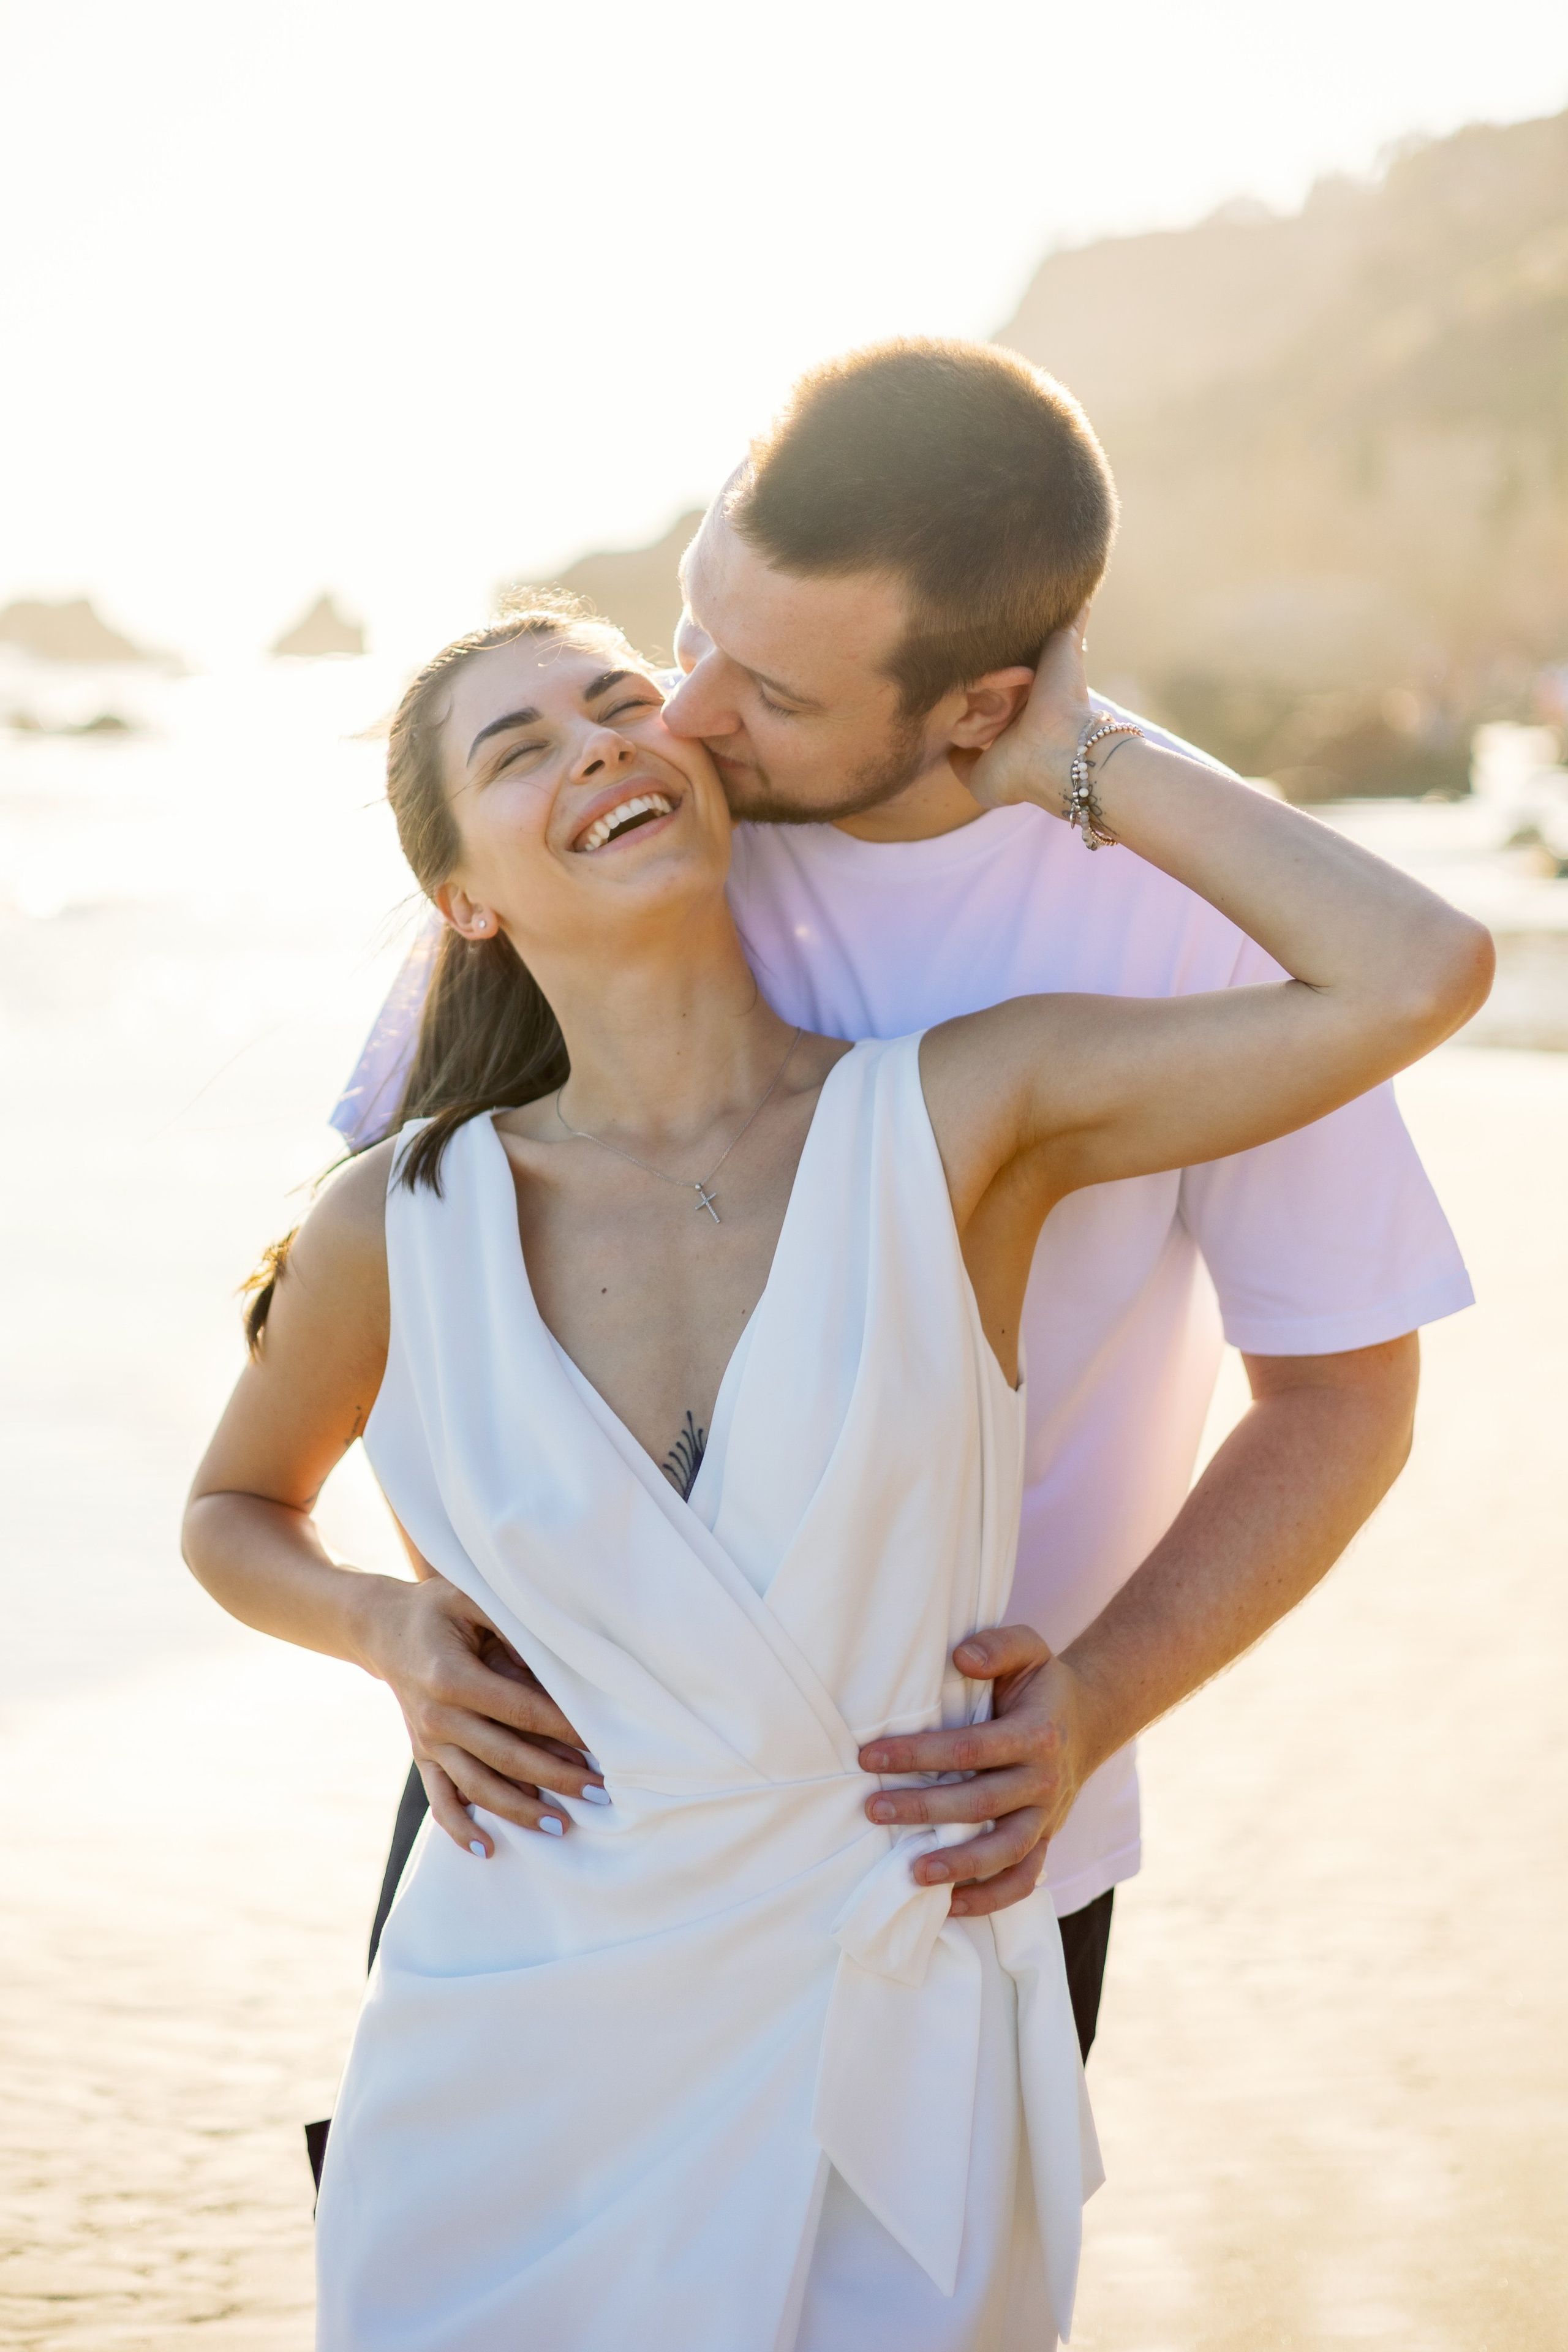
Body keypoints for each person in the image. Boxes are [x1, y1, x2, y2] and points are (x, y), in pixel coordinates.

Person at [183, 579, 1488, 2346]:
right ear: (461, 900)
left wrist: (1069, 756)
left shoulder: (964, 1118)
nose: (604, 745)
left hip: (891, 2008)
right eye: (524, 745)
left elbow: (1420, 972)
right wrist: (385, 1631)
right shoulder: (397, 1220)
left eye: (621, 701)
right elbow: (232, 1511)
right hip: (511, 2025)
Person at [334, 341, 1479, 2062]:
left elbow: (1343, 1392)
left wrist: (1090, 1709)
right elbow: (415, 1288)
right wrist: (440, 1632)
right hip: (566, 1820)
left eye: (777, 696)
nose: (697, 713)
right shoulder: (623, 831)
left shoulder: (1192, 925)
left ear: (975, 703)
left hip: (954, 1841)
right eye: (699, 628)